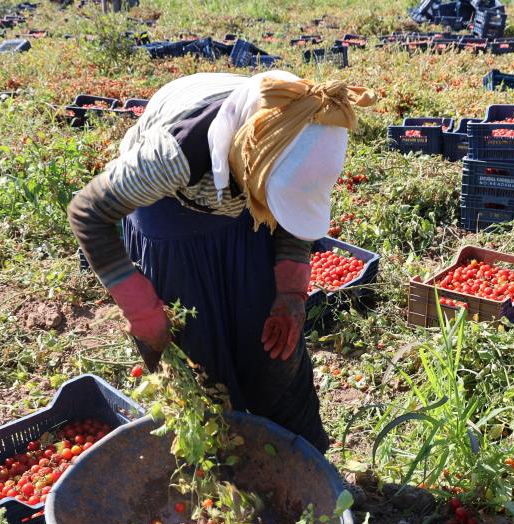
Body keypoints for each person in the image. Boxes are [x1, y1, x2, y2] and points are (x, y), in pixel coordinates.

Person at [68, 72, 375, 453]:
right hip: (170, 220)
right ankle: (218, 466)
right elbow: (86, 213)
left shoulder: (307, 126)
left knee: (273, 347)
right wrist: (142, 309)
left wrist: (291, 291)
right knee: (194, 359)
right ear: (248, 164)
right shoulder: (171, 157)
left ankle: (302, 457)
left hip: (247, 198)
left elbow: (294, 204)